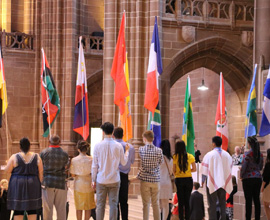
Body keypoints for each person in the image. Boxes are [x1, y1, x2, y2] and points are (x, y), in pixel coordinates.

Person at [92, 122, 130, 220]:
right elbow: (124, 162)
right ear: (112, 131)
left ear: (103, 132)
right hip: (114, 179)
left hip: (101, 179)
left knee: (100, 205)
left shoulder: (97, 146)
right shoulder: (118, 146)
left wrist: (93, 180)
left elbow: (94, 165)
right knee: (113, 205)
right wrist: (127, 152)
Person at [5, 137, 43, 220]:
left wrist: (8, 162)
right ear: (30, 146)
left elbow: (7, 170)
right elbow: (41, 172)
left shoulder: (14, 157)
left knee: (18, 209)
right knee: (32, 208)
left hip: (18, 184)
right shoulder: (37, 156)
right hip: (33, 183)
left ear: (20, 146)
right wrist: (39, 184)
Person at [200, 136, 233, 220]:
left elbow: (204, 170)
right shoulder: (227, 155)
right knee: (222, 203)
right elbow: (230, 168)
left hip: (211, 182)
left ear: (213, 143)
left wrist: (202, 181)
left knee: (212, 204)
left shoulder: (209, 154)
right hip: (223, 182)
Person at [40, 135, 69, 220]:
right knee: (61, 209)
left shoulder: (44, 152)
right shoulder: (64, 154)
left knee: (47, 209)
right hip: (60, 182)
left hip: (47, 182)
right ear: (60, 142)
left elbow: (39, 167)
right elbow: (67, 167)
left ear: (49, 142)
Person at [137, 130, 163, 220]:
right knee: (156, 204)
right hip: (156, 180)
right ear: (153, 138)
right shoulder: (159, 151)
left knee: (146, 204)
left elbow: (142, 163)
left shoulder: (141, 149)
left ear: (144, 139)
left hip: (145, 180)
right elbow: (161, 162)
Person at [112, 127, 135, 220]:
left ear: (113, 135)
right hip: (124, 176)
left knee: (115, 201)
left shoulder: (112, 146)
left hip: (114, 175)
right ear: (123, 135)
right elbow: (132, 161)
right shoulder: (131, 147)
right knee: (124, 201)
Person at [70, 140, 96, 220]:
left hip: (78, 184)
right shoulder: (91, 159)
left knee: (79, 206)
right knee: (88, 207)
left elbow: (73, 174)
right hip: (88, 183)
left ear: (78, 149)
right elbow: (93, 172)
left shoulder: (74, 160)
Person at [240, 136, 263, 220]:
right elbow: (260, 167)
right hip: (258, 178)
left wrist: (241, 176)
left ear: (249, 144)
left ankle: (248, 218)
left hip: (248, 179)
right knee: (257, 200)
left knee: (248, 201)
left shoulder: (247, 154)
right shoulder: (260, 154)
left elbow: (244, 167)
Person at [173, 140, 196, 220]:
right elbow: (194, 169)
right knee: (187, 202)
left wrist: (179, 172)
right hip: (188, 180)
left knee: (180, 202)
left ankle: (181, 219)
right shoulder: (190, 156)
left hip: (179, 180)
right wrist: (188, 171)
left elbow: (174, 170)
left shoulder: (175, 157)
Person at [159, 139, 173, 220]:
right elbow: (171, 172)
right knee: (165, 205)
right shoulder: (171, 159)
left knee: (158, 205)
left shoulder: (159, 157)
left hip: (159, 182)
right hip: (167, 183)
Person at [262, 148, 270, 220]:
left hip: (268, 186)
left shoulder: (268, 164)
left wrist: (262, 187)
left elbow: (265, 178)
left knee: (266, 204)